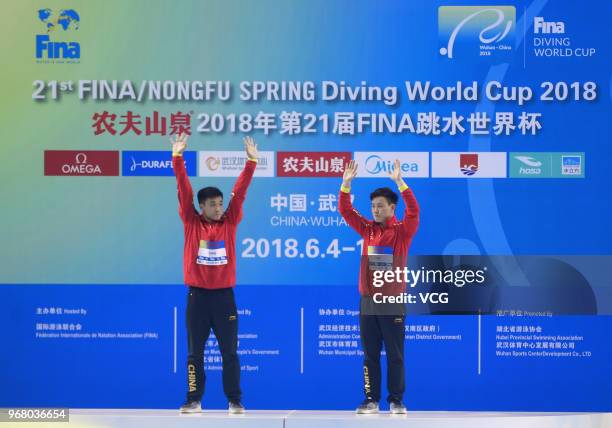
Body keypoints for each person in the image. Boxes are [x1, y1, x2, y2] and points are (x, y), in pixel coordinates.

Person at [171, 133, 258, 414]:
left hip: (224, 298)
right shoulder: (190, 221)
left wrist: (252, 163)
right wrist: (177, 158)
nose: (219, 208)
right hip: (197, 298)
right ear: (201, 207)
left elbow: (240, 192)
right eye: (213, 204)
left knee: (229, 353)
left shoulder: (230, 221)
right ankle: (194, 399)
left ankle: (234, 400)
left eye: (221, 203)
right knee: (195, 354)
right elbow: (183, 189)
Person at [338, 159, 419, 414]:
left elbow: (414, 210)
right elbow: (346, 211)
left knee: (395, 355)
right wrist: (346, 185)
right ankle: (371, 399)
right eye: (372, 206)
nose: (375, 210)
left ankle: (396, 400)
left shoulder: (402, 231)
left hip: (392, 303)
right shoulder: (367, 230)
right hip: (367, 302)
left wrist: (400, 182)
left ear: (391, 207)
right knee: (370, 355)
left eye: (380, 206)